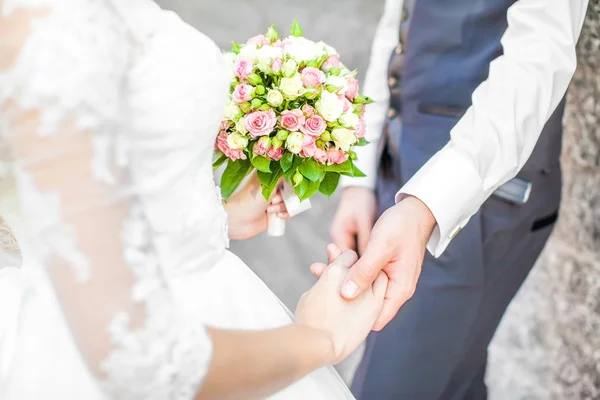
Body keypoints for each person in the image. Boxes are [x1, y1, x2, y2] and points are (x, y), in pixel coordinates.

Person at [0, 1, 387, 399]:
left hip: (213, 290)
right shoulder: (37, 28)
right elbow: (145, 363)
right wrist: (321, 337)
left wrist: (203, 218)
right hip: (111, 341)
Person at [329, 0, 590, 398]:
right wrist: (359, 180)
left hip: (470, 207)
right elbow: (398, 21)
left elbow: (540, 58)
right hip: (398, 176)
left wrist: (425, 209)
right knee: (452, 386)